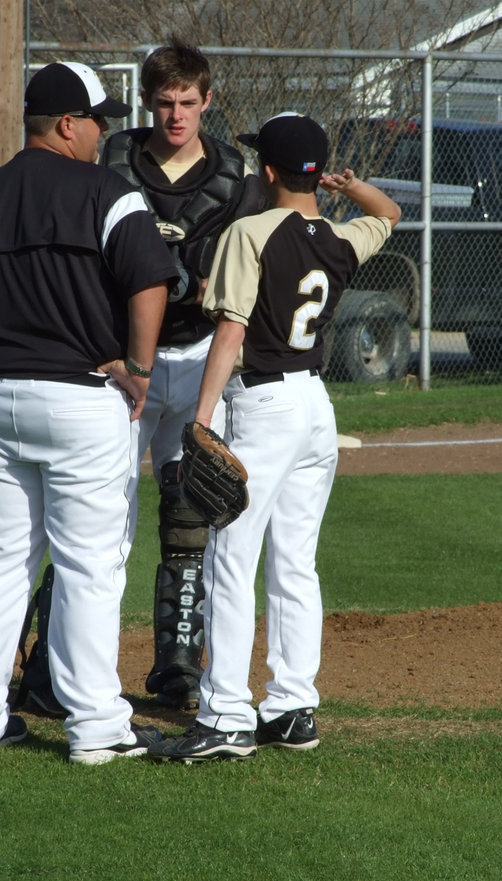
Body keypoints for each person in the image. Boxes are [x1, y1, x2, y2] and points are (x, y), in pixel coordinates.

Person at [0, 62, 178, 764]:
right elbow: (150, 280)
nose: (102, 133)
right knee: (90, 566)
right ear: (67, 124)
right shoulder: (106, 193)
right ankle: (95, 731)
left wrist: (4, 340)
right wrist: (140, 368)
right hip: (83, 398)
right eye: (97, 120)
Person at [150, 113, 401, 763]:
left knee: (230, 557)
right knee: (294, 561)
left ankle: (227, 716)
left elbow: (230, 334)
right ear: (316, 174)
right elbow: (391, 211)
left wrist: (199, 421)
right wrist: (345, 187)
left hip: (261, 403)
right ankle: (292, 708)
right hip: (316, 407)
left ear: (265, 172)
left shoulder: (250, 232)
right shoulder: (340, 241)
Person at [98, 36, 264, 712]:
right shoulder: (113, 162)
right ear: (146, 102)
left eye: (187, 103)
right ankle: (64, 665)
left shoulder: (236, 174)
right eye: (163, 103)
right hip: (124, 360)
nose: (175, 116)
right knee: (99, 517)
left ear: (207, 101)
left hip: (200, 355)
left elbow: (254, 260)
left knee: (190, 511)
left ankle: (177, 663)